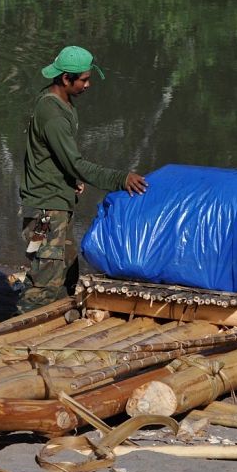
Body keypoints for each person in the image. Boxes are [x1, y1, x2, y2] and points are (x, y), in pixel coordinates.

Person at [17, 45, 148, 313]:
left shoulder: (62, 104)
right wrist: (120, 179)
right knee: (44, 281)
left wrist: (70, 177)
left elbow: (58, 158)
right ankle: (18, 332)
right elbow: (75, 163)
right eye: (84, 79)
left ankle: (56, 322)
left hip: (58, 200)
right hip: (46, 206)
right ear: (66, 78)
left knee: (67, 270)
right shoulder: (52, 114)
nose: (88, 85)